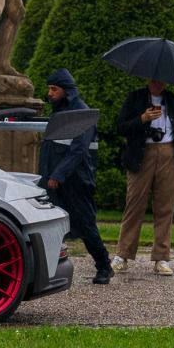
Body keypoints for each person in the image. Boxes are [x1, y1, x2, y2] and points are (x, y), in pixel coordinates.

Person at [39, 68, 112, 285]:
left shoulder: (82, 113)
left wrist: (58, 175)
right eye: (49, 88)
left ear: (66, 91)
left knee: (86, 226)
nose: (50, 93)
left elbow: (79, 150)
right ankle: (52, 268)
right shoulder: (59, 112)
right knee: (51, 226)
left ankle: (104, 267)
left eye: (54, 89)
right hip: (55, 179)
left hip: (76, 181)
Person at [113, 78, 174, 276]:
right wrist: (143, 119)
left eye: (163, 80)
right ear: (148, 78)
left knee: (165, 207)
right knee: (134, 205)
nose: (159, 83)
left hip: (168, 154)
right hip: (141, 154)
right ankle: (123, 254)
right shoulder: (136, 98)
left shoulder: (172, 100)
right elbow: (121, 127)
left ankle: (161, 258)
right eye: (156, 80)